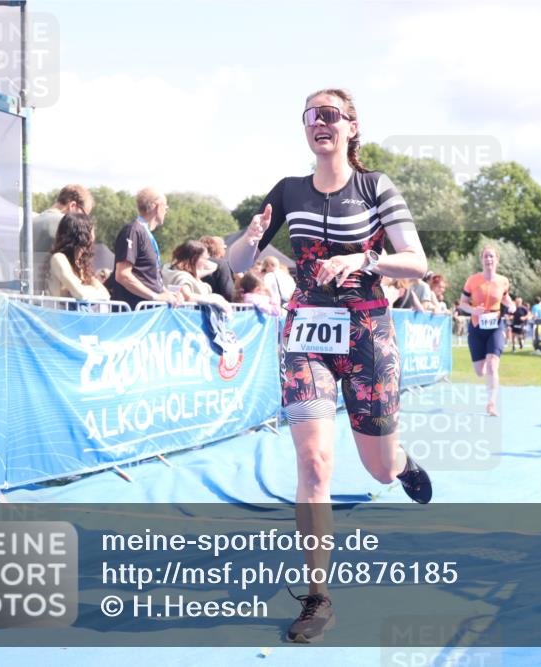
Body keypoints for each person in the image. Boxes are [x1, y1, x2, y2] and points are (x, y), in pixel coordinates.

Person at [226, 88, 432, 643]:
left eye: (331, 114)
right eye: (312, 115)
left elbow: (417, 262)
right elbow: (233, 264)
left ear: (351, 127)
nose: (321, 122)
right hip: (307, 337)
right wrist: (246, 242)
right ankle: (318, 597)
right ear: (306, 129)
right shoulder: (287, 191)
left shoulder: (376, 187)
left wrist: (363, 258)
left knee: (378, 470)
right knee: (314, 463)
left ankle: (401, 462)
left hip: (367, 334)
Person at [459, 245, 514, 417]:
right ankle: (488, 389)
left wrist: (511, 305)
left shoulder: (503, 281)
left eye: (491, 257)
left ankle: (491, 404)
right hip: (476, 327)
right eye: (485, 257)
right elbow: (462, 303)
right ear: (481, 260)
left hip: (495, 327)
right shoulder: (472, 280)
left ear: (497, 260)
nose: (488, 260)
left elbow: (504, 297)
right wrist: (473, 310)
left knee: (492, 366)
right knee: (480, 371)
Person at [106, 188, 182, 309]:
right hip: (134, 315)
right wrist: (155, 297)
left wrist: (167, 294)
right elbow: (123, 275)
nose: (166, 211)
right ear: (156, 206)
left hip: (147, 313)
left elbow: (147, 277)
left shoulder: (144, 233)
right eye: (166, 207)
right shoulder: (133, 231)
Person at [28, 184, 94, 292]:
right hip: (54, 298)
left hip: (29, 295)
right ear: (72, 206)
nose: (84, 221)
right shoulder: (65, 225)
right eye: (84, 215)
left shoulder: (29, 223)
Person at [44, 212, 109, 302]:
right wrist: (92, 290)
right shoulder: (58, 258)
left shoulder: (80, 263)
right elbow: (80, 294)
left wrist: (85, 290)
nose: (94, 236)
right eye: (92, 230)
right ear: (83, 233)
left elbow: (106, 295)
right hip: (60, 314)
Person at [163, 240, 232, 314]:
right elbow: (188, 296)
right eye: (205, 259)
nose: (207, 262)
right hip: (190, 319)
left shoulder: (171, 269)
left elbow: (210, 267)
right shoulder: (182, 276)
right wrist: (214, 300)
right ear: (194, 259)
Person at [199, 235, 235, 302]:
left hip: (193, 307)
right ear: (219, 249)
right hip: (216, 308)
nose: (225, 250)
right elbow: (228, 293)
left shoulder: (193, 262)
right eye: (224, 248)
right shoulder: (221, 264)